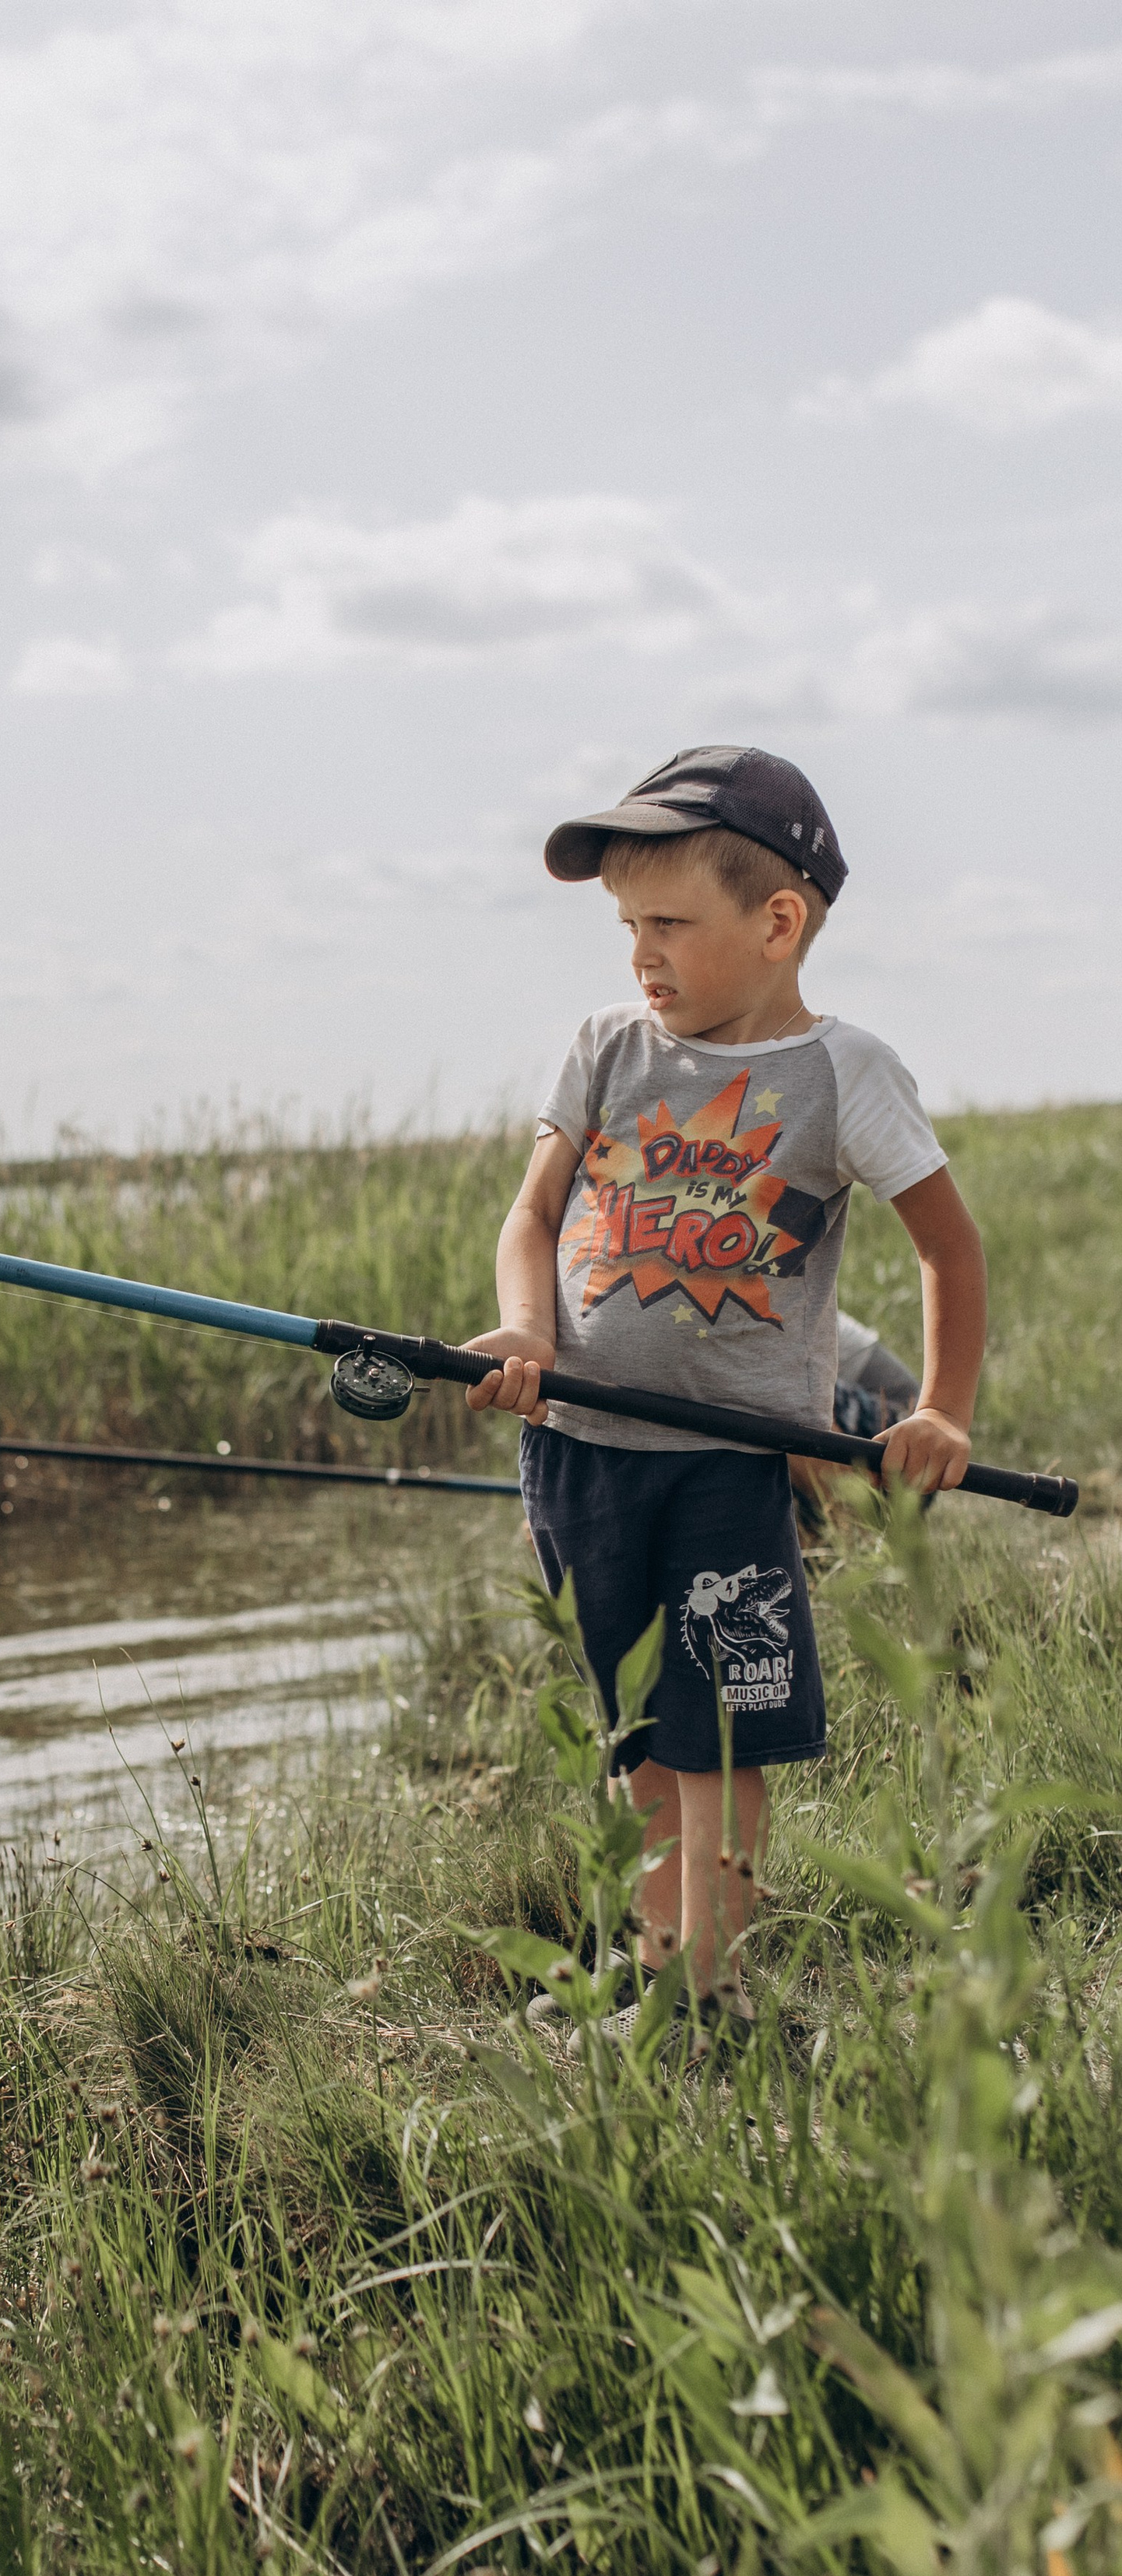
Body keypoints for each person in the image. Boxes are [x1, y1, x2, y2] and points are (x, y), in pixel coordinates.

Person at [465, 745, 986, 2035]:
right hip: (578, 1451)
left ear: (776, 923)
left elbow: (949, 1248)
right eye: (626, 925)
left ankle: (708, 1989)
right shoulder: (603, 1049)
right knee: (638, 1732)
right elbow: (531, 1218)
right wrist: (525, 1332)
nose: (641, 955)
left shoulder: (839, 1074)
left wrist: (943, 1411)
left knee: (722, 1736)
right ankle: (654, 1968)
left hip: (730, 1468)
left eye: (669, 925)